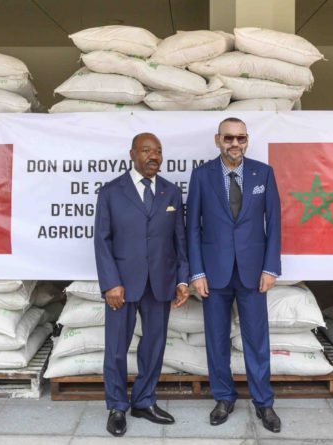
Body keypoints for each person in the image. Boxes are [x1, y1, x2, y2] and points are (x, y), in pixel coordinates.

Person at [186, 117, 282, 433]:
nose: (235, 144)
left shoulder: (263, 173)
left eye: (241, 138)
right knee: (217, 339)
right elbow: (192, 228)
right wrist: (197, 271)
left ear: (247, 140)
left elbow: (274, 223)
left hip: (253, 273)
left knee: (256, 339)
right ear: (218, 140)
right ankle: (223, 398)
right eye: (228, 138)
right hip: (214, 273)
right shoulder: (202, 176)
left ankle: (263, 402)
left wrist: (270, 267)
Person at [94, 132, 191, 437]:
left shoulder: (170, 192)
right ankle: (117, 407)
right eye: (147, 150)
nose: (154, 157)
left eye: (158, 151)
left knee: (154, 345)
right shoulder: (111, 192)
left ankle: (144, 401)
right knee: (117, 348)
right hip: (122, 284)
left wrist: (182, 279)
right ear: (132, 154)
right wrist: (111, 283)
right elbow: (102, 241)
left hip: (160, 282)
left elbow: (179, 240)